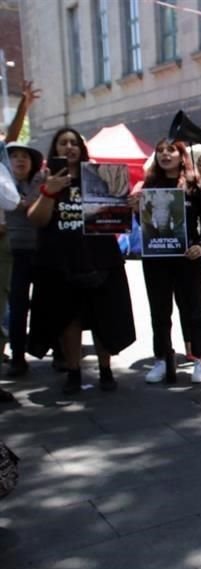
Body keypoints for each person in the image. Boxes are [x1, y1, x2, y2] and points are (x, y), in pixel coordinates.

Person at [27, 127, 136, 393]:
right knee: (69, 319)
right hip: (61, 261)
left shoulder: (100, 178)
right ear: (55, 150)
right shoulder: (44, 177)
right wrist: (49, 191)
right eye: (63, 143)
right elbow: (36, 219)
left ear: (82, 149)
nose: (69, 147)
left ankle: (106, 370)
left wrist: (126, 205)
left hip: (100, 258)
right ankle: (73, 372)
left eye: (73, 143)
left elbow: (116, 221)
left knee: (103, 317)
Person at [133, 139, 201, 384]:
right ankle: (162, 359)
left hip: (188, 259)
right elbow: (144, 226)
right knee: (159, 311)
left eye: (171, 150)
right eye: (160, 150)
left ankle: (200, 358)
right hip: (156, 260)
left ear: (181, 155)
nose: (165, 154)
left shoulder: (192, 185)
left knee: (194, 309)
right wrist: (136, 209)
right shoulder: (149, 186)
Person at [4, 140, 43, 380]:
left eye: (24, 156)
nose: (19, 160)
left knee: (45, 303)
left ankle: (53, 350)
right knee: (17, 307)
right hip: (13, 253)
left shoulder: (41, 181)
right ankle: (18, 355)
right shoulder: (3, 186)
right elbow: (25, 205)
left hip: (40, 251)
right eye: (14, 156)